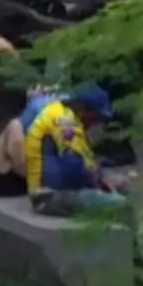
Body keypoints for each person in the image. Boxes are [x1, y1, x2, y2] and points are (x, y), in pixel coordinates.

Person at [23, 83, 126, 213]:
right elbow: (73, 166)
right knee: (121, 203)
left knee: (120, 185)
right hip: (48, 196)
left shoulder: (64, 113)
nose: (98, 121)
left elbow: (84, 161)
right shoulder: (64, 122)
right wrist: (98, 184)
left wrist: (101, 177)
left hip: (60, 189)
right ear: (84, 109)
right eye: (97, 116)